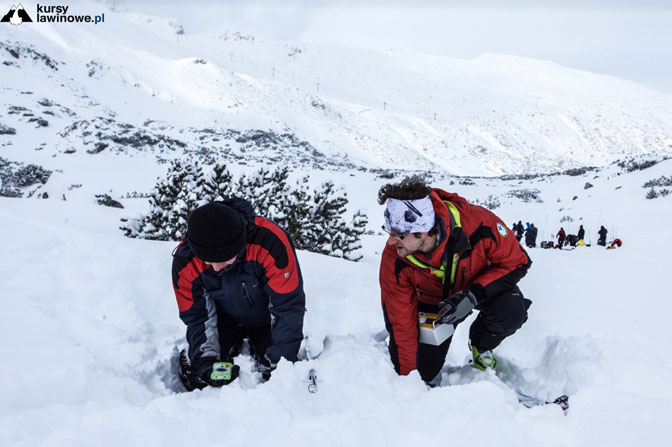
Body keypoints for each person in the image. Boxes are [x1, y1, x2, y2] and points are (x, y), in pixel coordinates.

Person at [378, 177, 532, 384]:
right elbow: (400, 321)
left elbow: (518, 262)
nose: (390, 241)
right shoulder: (395, 257)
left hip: (478, 290)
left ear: (423, 229)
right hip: (435, 307)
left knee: (510, 310)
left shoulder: (478, 223)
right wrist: (409, 380)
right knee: (422, 374)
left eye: (399, 235)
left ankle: (481, 345)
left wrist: (473, 295)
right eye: (389, 232)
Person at [171, 199, 306, 390]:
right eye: (208, 262)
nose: (216, 268)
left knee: (278, 375)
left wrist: (280, 363)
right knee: (199, 377)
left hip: (267, 322)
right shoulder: (186, 260)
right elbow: (197, 316)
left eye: (223, 260)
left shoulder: (270, 243)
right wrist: (205, 360)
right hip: (223, 323)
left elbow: (288, 306)